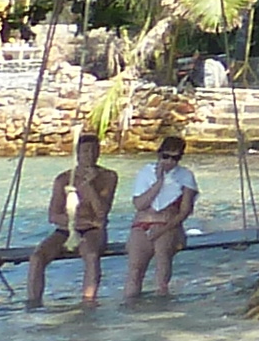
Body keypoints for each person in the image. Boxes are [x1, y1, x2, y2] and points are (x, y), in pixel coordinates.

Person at [25, 132, 116, 309]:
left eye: (94, 151)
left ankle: (88, 301)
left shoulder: (109, 177)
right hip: (67, 228)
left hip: (93, 231)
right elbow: (53, 215)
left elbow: (102, 213)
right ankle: (33, 302)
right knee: (37, 256)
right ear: (78, 154)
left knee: (90, 254)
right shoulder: (63, 179)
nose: (90, 155)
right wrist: (78, 222)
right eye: (86, 151)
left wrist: (88, 187)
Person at [126, 135, 201, 298]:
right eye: (165, 156)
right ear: (159, 154)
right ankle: (130, 304)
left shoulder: (185, 176)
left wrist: (161, 230)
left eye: (175, 158)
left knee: (162, 258)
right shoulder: (146, 172)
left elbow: (184, 211)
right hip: (143, 223)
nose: (169, 162)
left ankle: (161, 299)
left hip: (169, 225)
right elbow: (139, 204)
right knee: (135, 268)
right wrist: (158, 183)